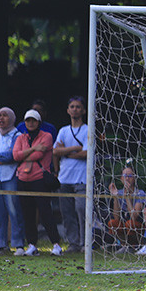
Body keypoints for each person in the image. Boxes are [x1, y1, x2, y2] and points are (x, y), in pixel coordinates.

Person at [14, 109, 63, 256]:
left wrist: (25, 155)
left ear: (39, 122)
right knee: (27, 214)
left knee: (45, 212)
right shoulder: (21, 138)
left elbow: (39, 154)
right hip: (23, 179)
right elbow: (15, 156)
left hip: (39, 179)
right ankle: (32, 244)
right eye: (28, 120)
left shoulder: (47, 136)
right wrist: (33, 148)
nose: (30, 123)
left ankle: (56, 244)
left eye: (33, 120)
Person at [0, 107, 26, 257]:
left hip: (10, 176)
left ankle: (19, 244)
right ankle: (0, 244)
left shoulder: (17, 135)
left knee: (14, 210)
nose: (1, 119)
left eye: (5, 116)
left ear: (12, 118)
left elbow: (13, 156)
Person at [54, 96, 89, 254]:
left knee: (81, 209)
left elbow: (86, 153)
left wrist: (66, 152)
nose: (75, 109)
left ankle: (85, 242)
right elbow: (55, 151)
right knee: (66, 212)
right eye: (72, 106)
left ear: (83, 110)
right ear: (68, 110)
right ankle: (73, 243)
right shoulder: (63, 131)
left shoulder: (88, 129)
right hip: (65, 177)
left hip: (81, 177)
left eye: (78, 107)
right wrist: (74, 148)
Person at [107, 165, 146, 250]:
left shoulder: (140, 193)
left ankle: (134, 245)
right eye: (124, 176)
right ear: (121, 178)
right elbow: (116, 217)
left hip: (137, 226)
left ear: (134, 178)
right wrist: (115, 197)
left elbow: (134, 217)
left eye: (129, 176)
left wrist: (127, 197)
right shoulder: (119, 193)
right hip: (124, 224)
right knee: (112, 223)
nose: (127, 178)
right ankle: (123, 244)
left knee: (130, 223)